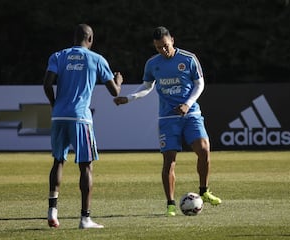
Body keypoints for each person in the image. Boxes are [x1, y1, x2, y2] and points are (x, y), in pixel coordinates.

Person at [113, 26, 221, 216]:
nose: (163, 50)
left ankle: (204, 191)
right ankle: (170, 204)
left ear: (172, 40)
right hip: (167, 118)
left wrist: (187, 104)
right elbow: (147, 86)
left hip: (191, 114)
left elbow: (200, 83)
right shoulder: (152, 64)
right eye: (158, 48)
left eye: (165, 46)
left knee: (204, 150)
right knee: (169, 161)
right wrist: (128, 98)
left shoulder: (188, 59)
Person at [43, 23, 123, 228]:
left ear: (74, 38)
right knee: (86, 166)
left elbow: (46, 84)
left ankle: (52, 212)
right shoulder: (96, 59)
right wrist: (119, 81)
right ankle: (85, 218)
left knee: (58, 161)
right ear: (90, 39)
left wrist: (55, 105)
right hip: (80, 118)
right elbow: (115, 92)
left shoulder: (58, 56)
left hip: (59, 116)